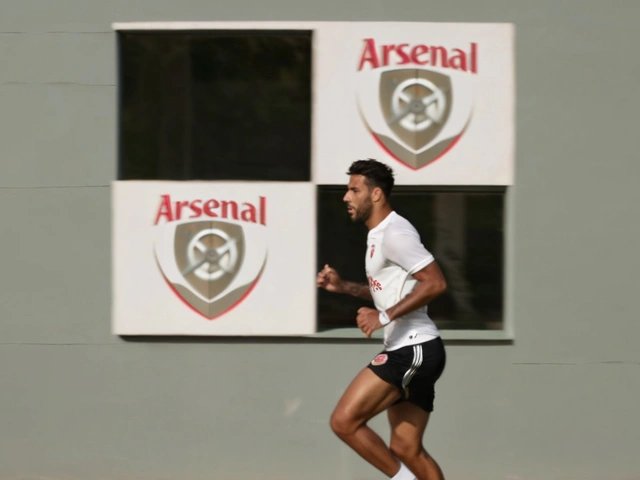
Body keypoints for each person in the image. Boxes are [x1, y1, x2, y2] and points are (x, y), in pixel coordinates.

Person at [317, 159, 448, 480]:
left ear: (376, 195)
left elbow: (436, 282)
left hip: (412, 348)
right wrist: (343, 287)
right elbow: (388, 291)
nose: (346, 197)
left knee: (344, 422)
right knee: (406, 449)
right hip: (417, 349)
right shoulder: (378, 234)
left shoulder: (395, 234)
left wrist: (384, 316)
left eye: (354, 190)